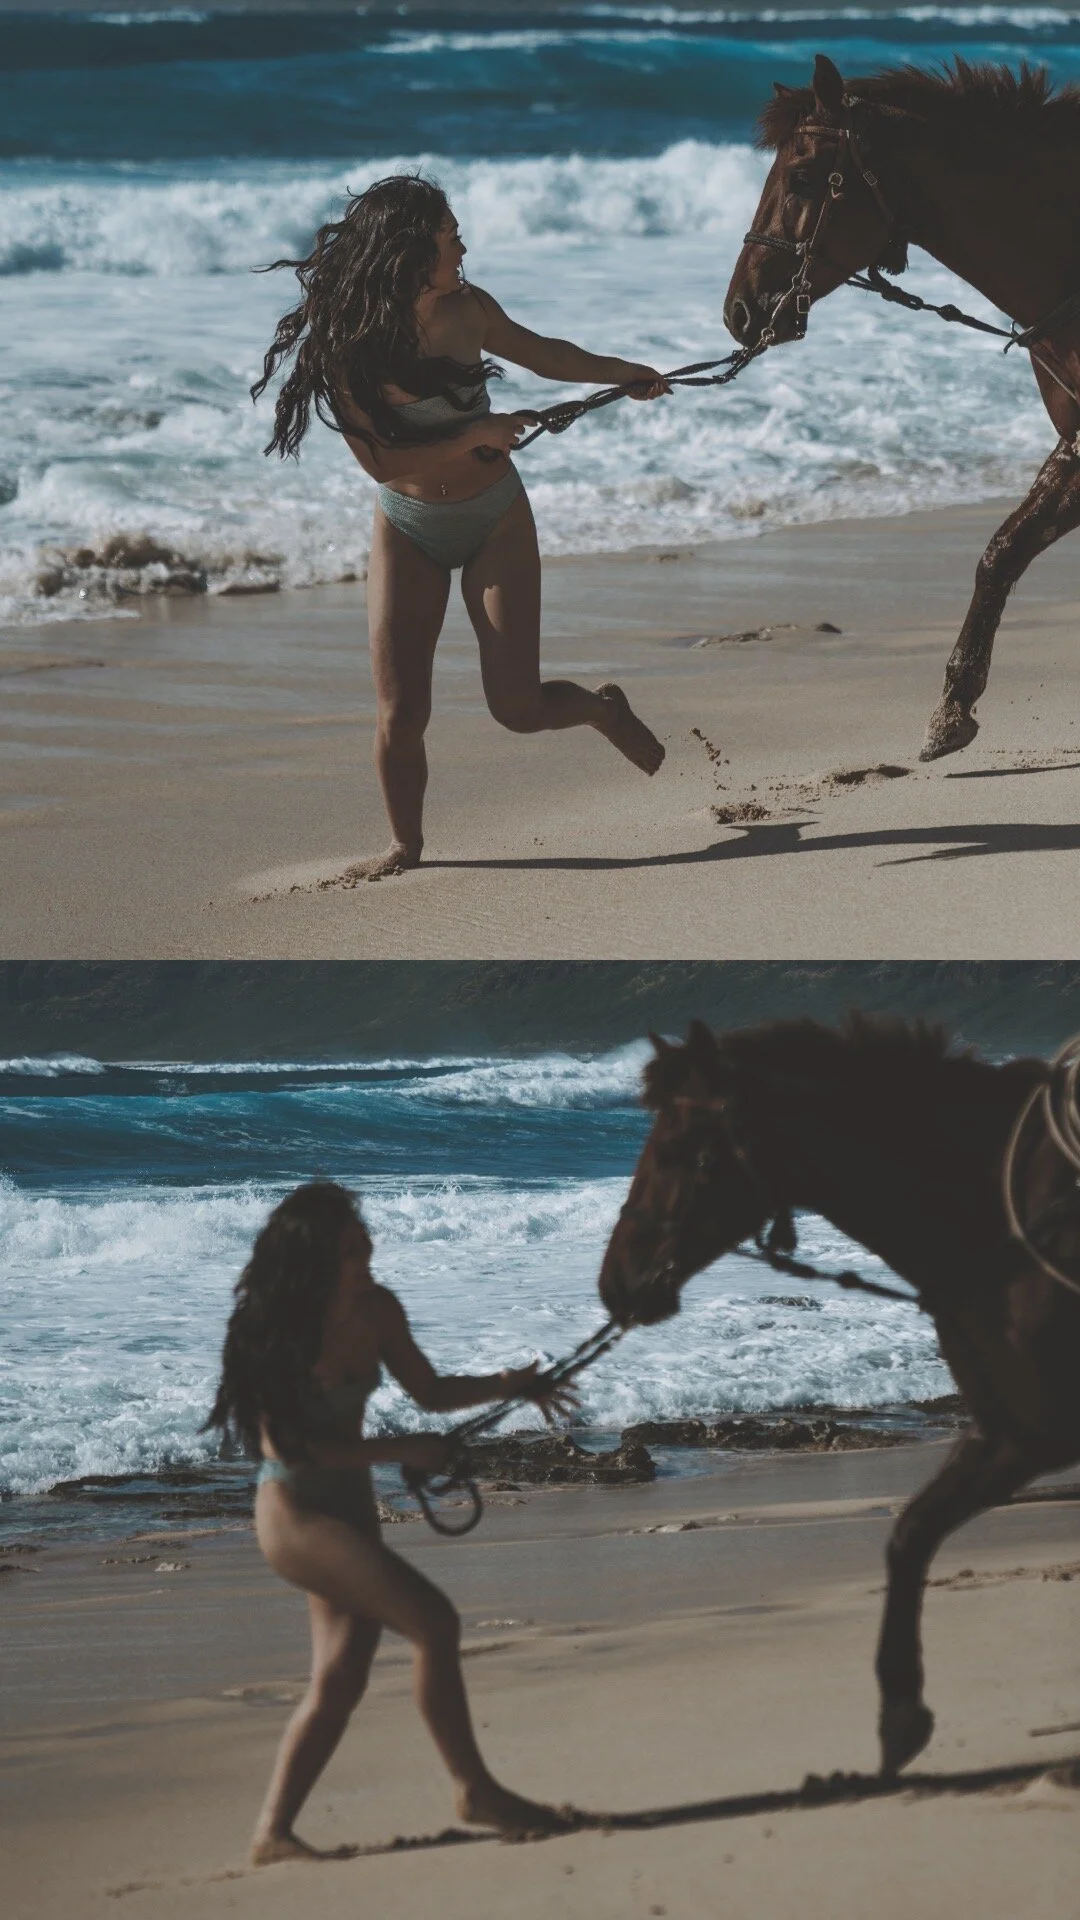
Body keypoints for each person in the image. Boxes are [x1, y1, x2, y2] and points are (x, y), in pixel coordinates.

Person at [253, 175, 669, 881]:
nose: (464, 248)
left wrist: (623, 373)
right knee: (401, 713)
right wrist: (476, 431)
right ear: (409, 252)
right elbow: (381, 465)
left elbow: (545, 352)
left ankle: (602, 711)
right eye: (451, 238)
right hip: (408, 526)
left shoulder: (468, 310)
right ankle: (406, 848)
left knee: (518, 709)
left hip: (494, 518)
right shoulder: (347, 345)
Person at [204, 1181, 578, 1864]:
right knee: (434, 1622)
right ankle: (474, 1790)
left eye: (365, 1240)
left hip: (349, 1506)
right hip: (295, 1512)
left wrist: (510, 1385)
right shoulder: (273, 1332)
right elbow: (291, 1450)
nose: (367, 1254)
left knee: (341, 1679)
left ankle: (272, 1835)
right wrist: (404, 1450)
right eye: (351, 1248)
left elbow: (429, 1392)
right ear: (315, 1258)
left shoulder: (377, 1309)